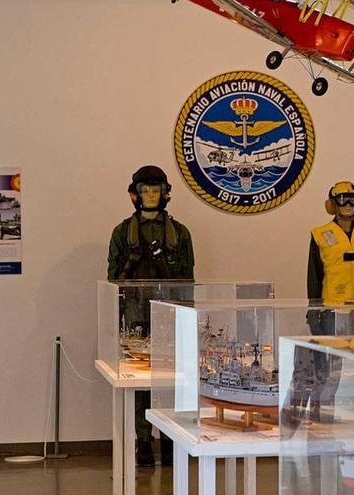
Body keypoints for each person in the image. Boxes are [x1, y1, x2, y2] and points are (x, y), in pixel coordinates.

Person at [107, 165, 194, 467]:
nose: (151, 196)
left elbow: (187, 280)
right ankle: (143, 441)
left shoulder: (180, 234)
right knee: (139, 382)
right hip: (135, 315)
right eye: (146, 191)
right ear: (136, 194)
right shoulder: (122, 233)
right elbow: (112, 280)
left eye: (156, 190)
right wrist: (131, 265)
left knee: (169, 381)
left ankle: (170, 440)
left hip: (170, 314)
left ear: (165, 193)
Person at [286, 181, 354, 424]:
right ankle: (323, 413)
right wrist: (314, 310)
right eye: (342, 199)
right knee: (329, 368)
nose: (348, 205)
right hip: (332, 310)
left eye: (353, 199)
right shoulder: (319, 235)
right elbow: (314, 276)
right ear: (332, 204)